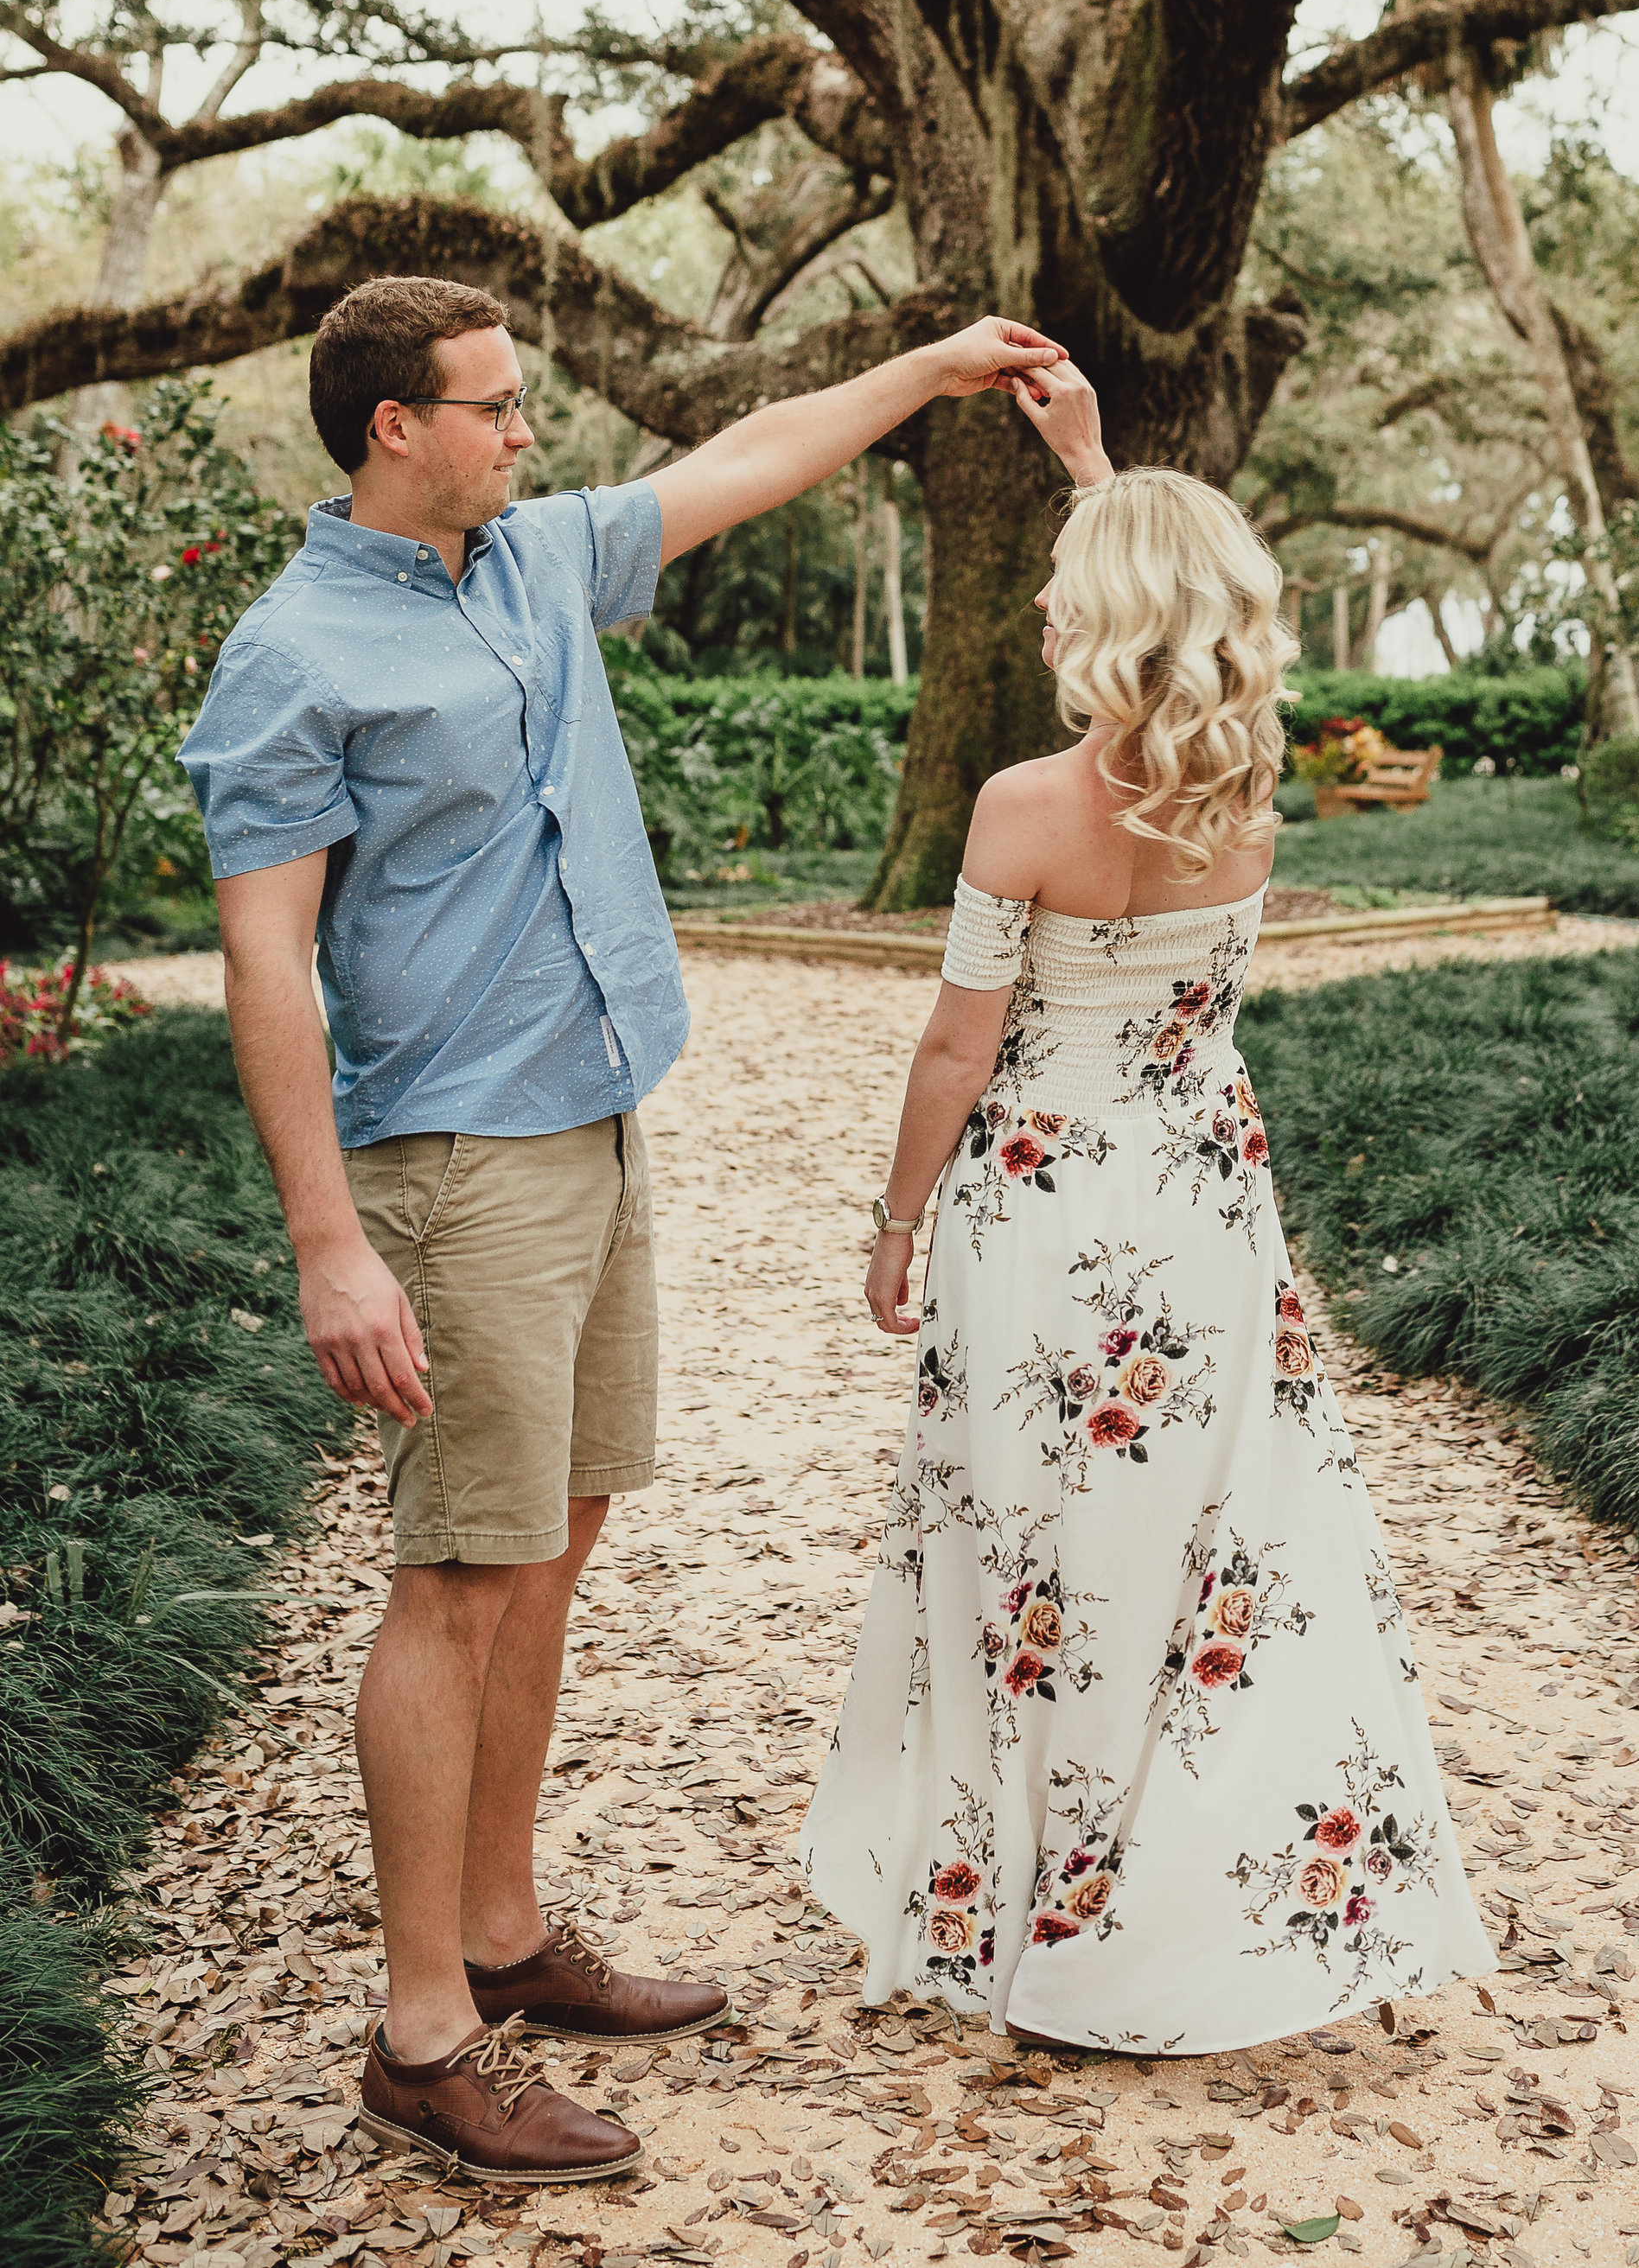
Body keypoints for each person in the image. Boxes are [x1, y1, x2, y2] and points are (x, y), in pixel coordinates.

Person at [180, 274, 1063, 2183]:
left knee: (558, 1538)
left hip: (592, 1111)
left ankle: (501, 1936)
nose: (525, 432)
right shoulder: (292, 656)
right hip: (450, 1156)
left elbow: (748, 459)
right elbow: (266, 963)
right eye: (490, 407)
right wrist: (330, 1241)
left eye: (521, 405)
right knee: (459, 1572)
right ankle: (422, 2035)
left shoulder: (531, 561)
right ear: (388, 429)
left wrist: (923, 369)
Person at [802, 379, 1493, 2052]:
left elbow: (959, 1041)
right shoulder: (1243, 786)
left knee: (1036, 1558)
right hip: (1198, 1214)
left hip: (1037, 1217)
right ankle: (1170, 1896)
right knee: (1202, 1560)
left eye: (1065, 582)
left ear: (1101, 617)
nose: (1043, 599)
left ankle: (1022, 1898)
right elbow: (1170, 588)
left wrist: (893, 1223)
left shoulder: (1021, 808)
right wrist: (1096, 475)